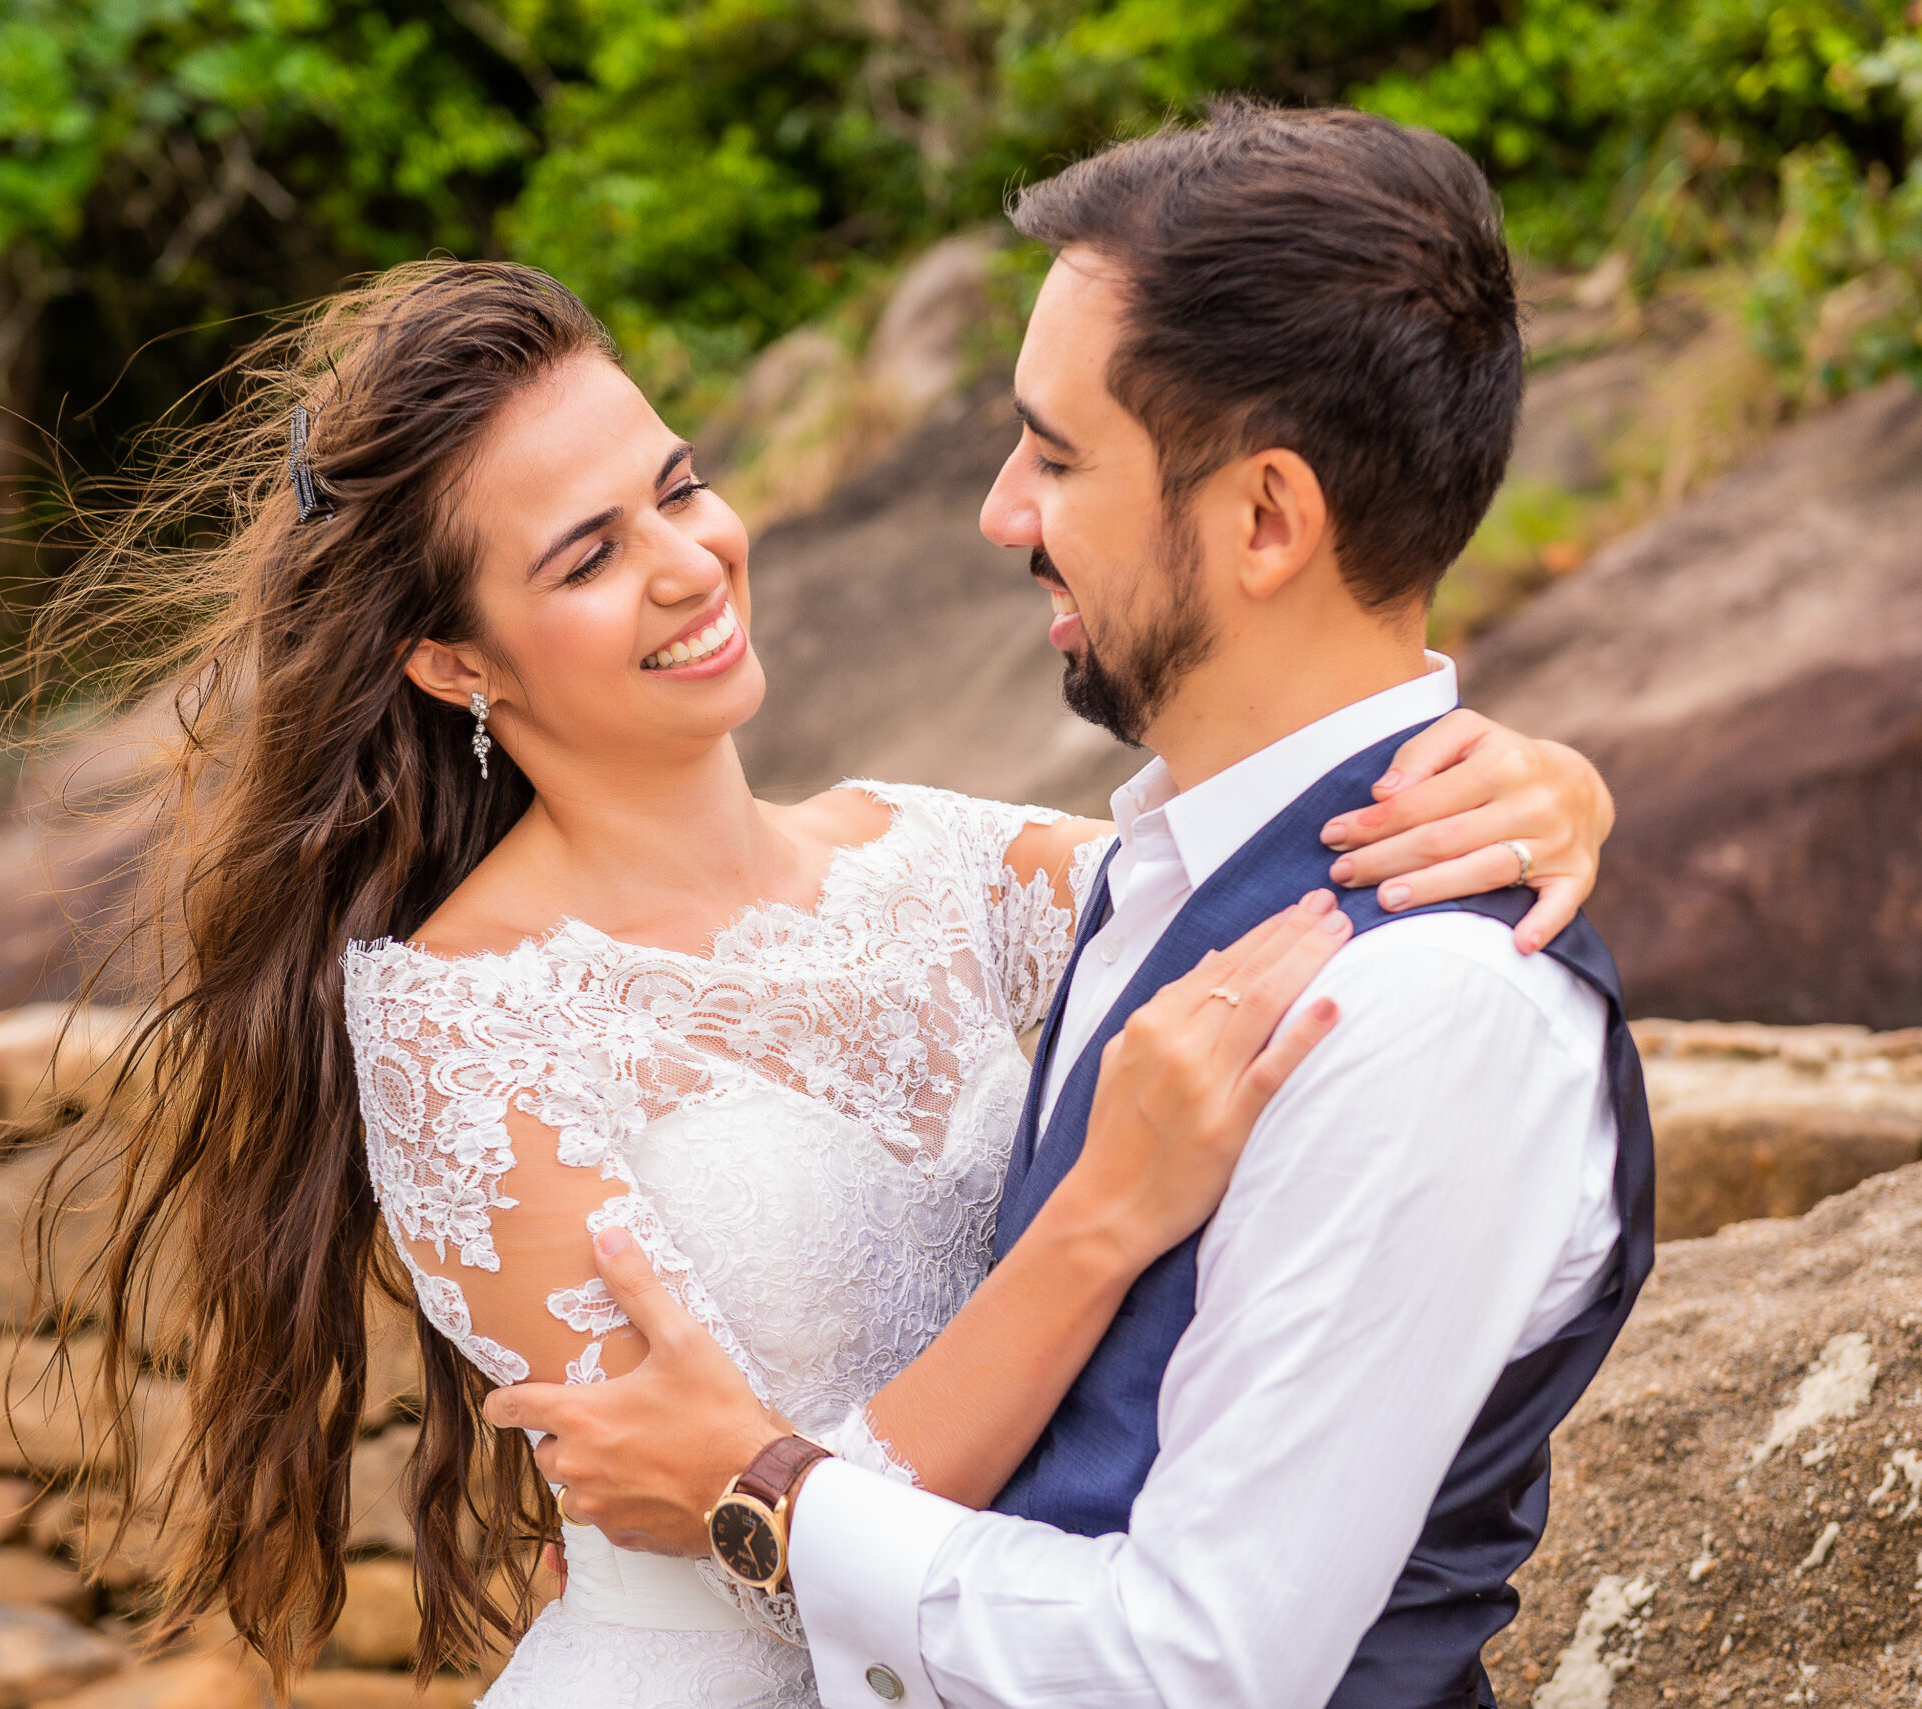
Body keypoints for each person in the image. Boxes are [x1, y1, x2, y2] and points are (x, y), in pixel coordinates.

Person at [48, 240, 1612, 1699]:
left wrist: (1536, 781)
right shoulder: (461, 1018)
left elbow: (1254, 856)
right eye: (591, 554)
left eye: (682, 487)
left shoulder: (941, 863)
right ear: (454, 661)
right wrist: (1098, 1222)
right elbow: (700, 1518)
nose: (688, 561)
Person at [490, 102, 1654, 1709]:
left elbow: (1199, 1667)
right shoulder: (1142, 871)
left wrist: (757, 1495)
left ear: (1266, 520)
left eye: (1055, 454)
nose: (999, 512)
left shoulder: (1421, 1011)